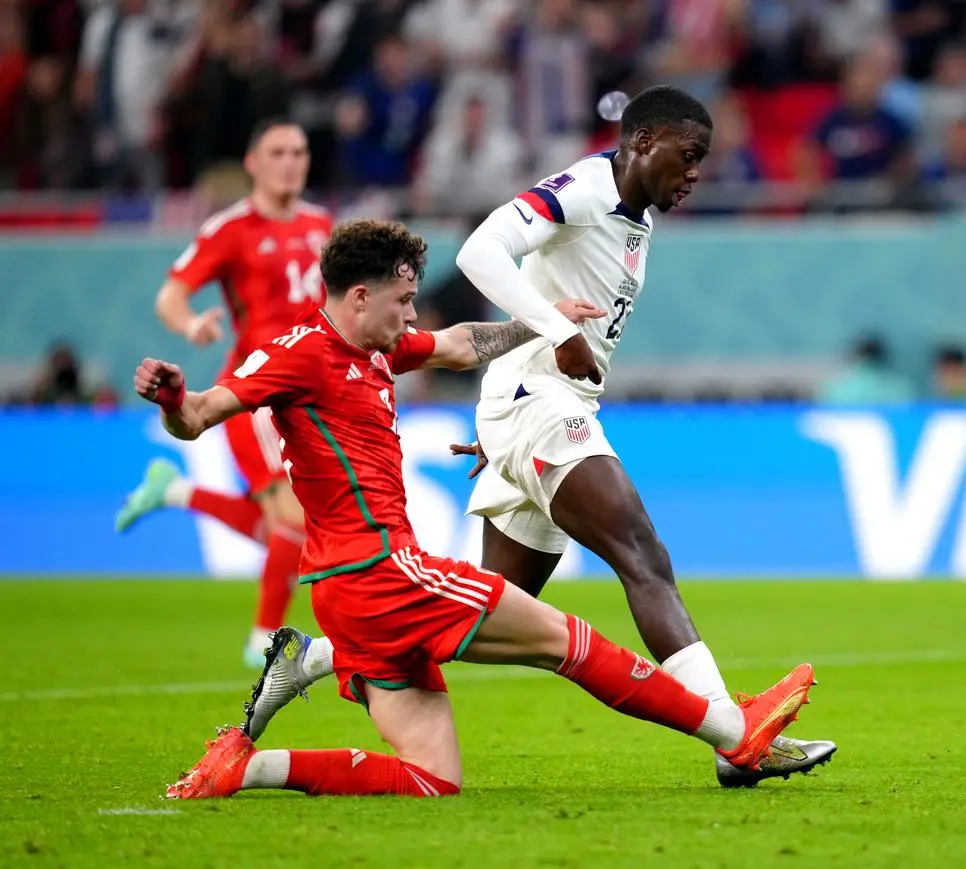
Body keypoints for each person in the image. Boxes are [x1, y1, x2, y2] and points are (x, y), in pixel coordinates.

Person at [242, 85, 838, 788]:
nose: (696, 172)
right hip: (539, 399)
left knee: (490, 607)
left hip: (531, 407)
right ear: (643, 142)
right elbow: (480, 251)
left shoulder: (634, 218)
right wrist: (553, 335)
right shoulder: (584, 189)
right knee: (641, 550)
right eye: (689, 155)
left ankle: (312, 657)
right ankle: (732, 734)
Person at [151, 218, 817, 800]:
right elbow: (203, 413)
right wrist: (175, 399)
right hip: (384, 569)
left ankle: (246, 767)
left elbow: (458, 343)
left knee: (431, 777)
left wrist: (542, 321)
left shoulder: (376, 350)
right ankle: (734, 731)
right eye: (404, 301)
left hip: (346, 591)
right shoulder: (301, 355)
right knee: (570, 643)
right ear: (360, 296)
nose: (412, 316)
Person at [114, 118, 332, 667]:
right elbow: (172, 295)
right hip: (257, 393)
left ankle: (177, 494)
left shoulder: (321, 224)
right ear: (253, 163)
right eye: (278, 152)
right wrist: (191, 327)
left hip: (313, 391)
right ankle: (263, 641)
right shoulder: (230, 228)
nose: (291, 162)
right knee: (300, 524)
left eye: (299, 152)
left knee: (300, 530)